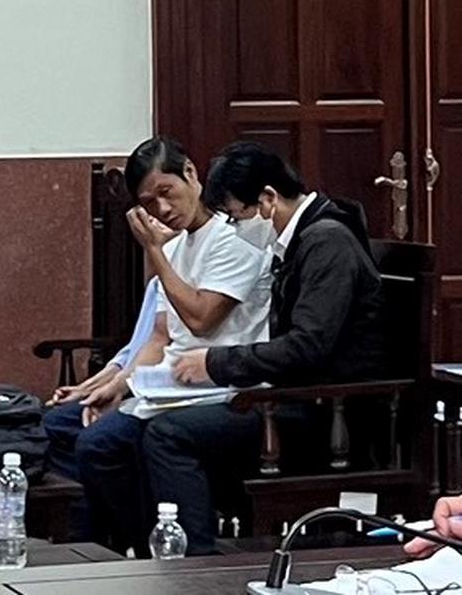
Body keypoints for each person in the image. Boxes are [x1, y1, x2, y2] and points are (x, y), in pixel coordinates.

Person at [154, 142, 386, 554]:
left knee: (168, 434)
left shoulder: (327, 242)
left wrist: (216, 363)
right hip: (297, 396)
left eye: (235, 216)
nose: (233, 228)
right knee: (157, 424)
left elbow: (307, 346)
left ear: (267, 199)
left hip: (328, 411)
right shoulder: (305, 239)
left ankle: (194, 562)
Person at [71, 137, 270, 554]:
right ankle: (147, 546)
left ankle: (192, 555)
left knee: (161, 436)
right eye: (148, 202)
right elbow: (161, 336)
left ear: (191, 174)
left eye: (167, 192)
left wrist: (154, 252)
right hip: (175, 386)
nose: (162, 209)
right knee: (95, 443)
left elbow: (201, 318)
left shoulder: (234, 242)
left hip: (228, 388)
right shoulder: (176, 246)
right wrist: (120, 384)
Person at [42, 277, 163, 542]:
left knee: (96, 440)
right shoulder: (157, 283)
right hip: (128, 384)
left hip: (153, 391)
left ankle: (130, 536)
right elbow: (130, 353)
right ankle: (85, 534)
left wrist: (116, 389)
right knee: (53, 423)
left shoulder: (184, 281)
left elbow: (162, 347)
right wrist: (86, 389)